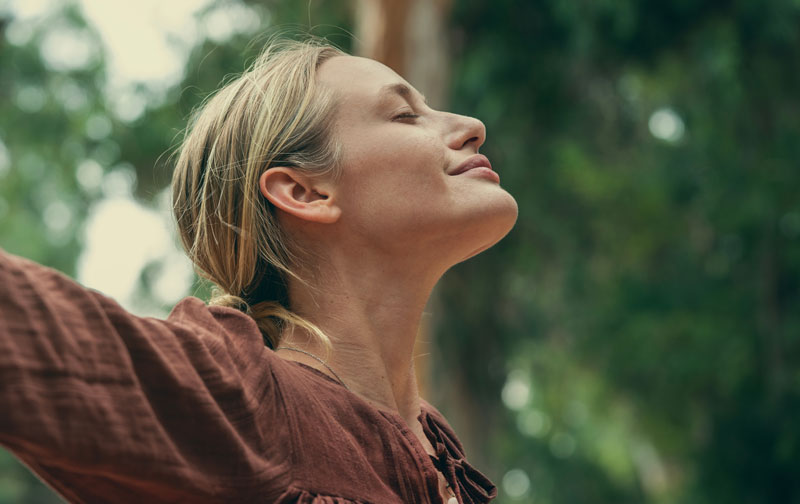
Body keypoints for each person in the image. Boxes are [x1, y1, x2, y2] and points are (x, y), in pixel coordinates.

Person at [0, 38, 518, 503]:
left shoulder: (441, 449)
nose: (471, 127)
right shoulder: (240, 396)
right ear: (305, 192)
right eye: (405, 115)